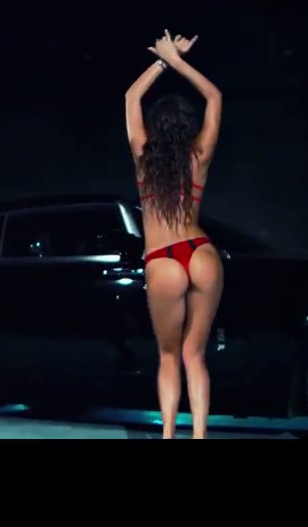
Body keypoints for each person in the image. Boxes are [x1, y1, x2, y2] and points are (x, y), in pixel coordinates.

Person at [124, 29, 224, 439]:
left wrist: (162, 62)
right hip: (201, 251)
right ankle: (199, 435)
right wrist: (181, 63)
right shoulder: (199, 156)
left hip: (163, 260)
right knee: (194, 355)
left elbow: (131, 97)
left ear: (155, 126)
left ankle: (168, 434)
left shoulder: (143, 157)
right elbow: (214, 97)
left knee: (168, 357)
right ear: (188, 127)